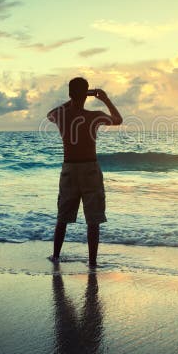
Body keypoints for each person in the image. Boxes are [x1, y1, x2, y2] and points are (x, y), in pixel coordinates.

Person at [47, 77, 122, 266]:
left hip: (69, 169)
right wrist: (104, 99)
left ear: (70, 94)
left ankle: (55, 256)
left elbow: (50, 114)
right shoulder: (94, 116)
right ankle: (92, 262)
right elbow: (118, 120)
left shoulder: (61, 115)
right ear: (86, 95)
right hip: (90, 169)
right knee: (93, 220)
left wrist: (73, 99)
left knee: (62, 217)